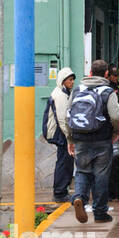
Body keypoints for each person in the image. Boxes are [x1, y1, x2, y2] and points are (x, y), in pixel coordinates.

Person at [64, 59, 119, 224]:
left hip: (81, 139)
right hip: (102, 140)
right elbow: (116, 117)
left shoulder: (77, 90)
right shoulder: (108, 92)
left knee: (82, 171)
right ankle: (100, 212)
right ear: (106, 74)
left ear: (90, 73)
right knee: (101, 175)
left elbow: (67, 116)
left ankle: (80, 199)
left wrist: (70, 139)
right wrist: (117, 132)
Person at [42, 67, 76, 203]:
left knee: (65, 161)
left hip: (61, 132)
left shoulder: (64, 92)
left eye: (73, 80)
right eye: (69, 80)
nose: (72, 82)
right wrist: (70, 139)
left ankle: (61, 191)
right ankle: (60, 193)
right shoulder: (60, 95)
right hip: (60, 133)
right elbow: (62, 120)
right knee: (64, 161)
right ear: (63, 81)